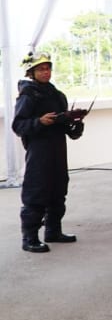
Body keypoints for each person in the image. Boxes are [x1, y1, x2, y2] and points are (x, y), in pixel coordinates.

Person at [12, 51, 85, 253]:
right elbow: (18, 125)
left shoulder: (57, 95)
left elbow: (65, 128)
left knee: (58, 190)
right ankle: (30, 238)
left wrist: (75, 125)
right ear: (31, 72)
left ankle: (53, 231)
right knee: (36, 192)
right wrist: (39, 122)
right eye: (41, 69)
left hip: (58, 150)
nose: (46, 72)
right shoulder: (28, 96)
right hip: (39, 151)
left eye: (48, 68)